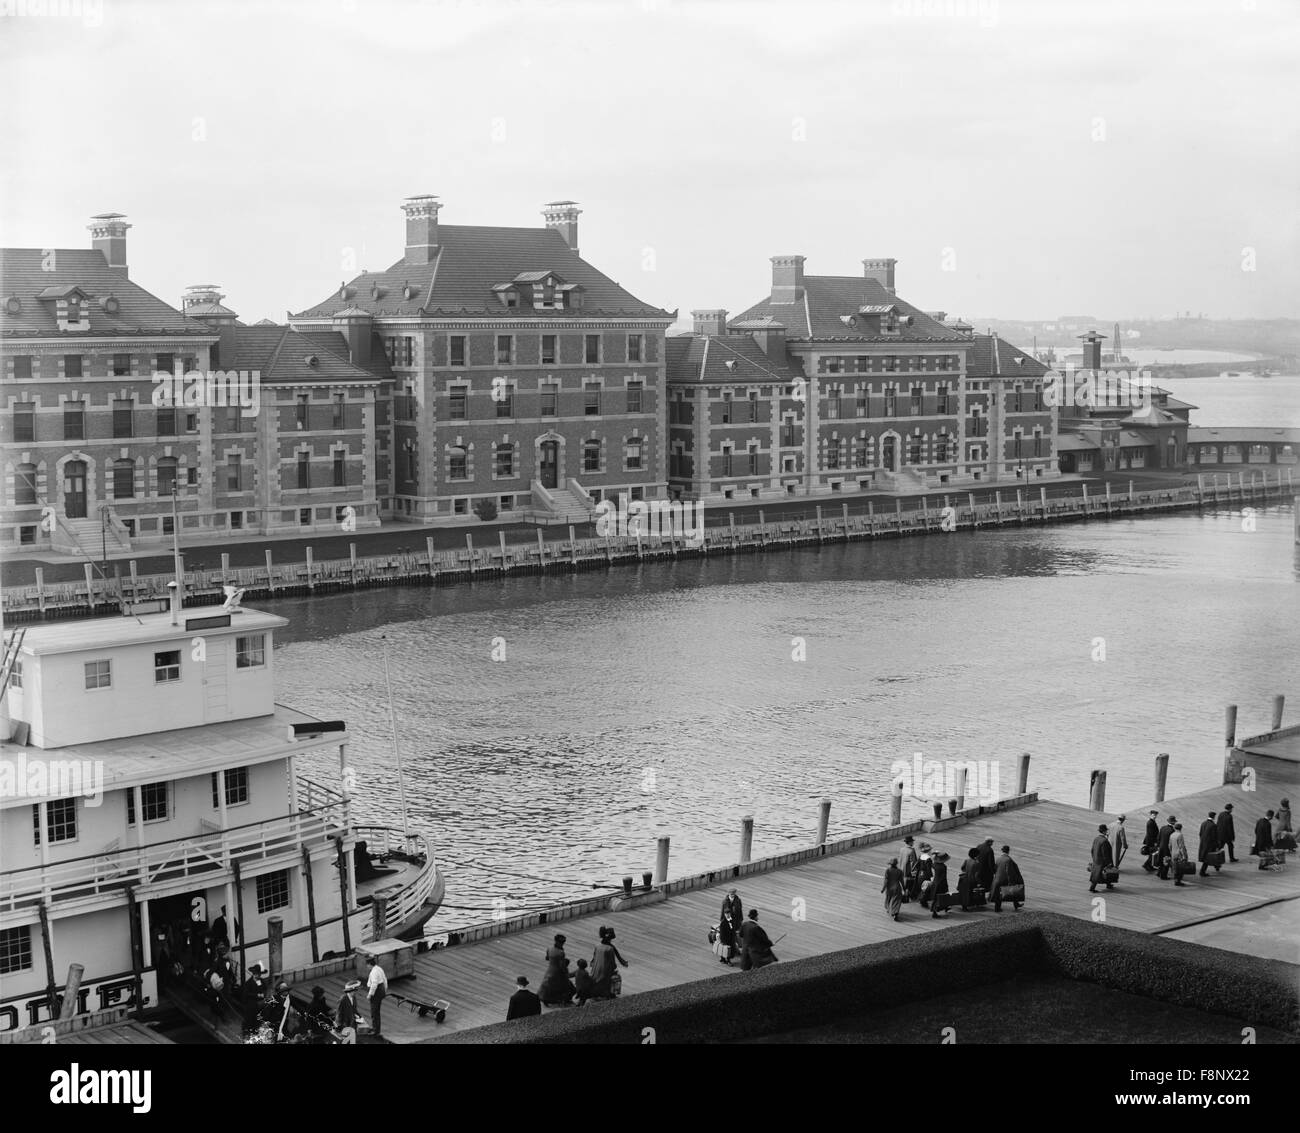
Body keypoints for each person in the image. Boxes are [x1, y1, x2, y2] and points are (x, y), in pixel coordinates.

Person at [589, 926, 629, 999]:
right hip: (605, 971)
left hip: (595, 969)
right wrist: (614, 968)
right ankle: (609, 993)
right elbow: (612, 963)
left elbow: (594, 958)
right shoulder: (610, 948)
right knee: (614, 977)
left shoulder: (597, 946)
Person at [539, 933, 575, 1007]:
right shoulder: (561, 952)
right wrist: (566, 973)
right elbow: (562, 966)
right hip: (558, 972)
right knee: (567, 986)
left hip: (550, 970)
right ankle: (565, 1000)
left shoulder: (549, 949)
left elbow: (547, 958)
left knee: (549, 986)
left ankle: (546, 998)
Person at [990, 845, 1024, 912]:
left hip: (997, 878)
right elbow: (1009, 872)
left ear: (1002, 850)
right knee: (1014, 890)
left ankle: (997, 908)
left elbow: (995, 869)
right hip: (1004, 879)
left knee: (998, 894)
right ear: (1008, 851)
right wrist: (1010, 882)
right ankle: (1016, 904)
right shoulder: (1008, 860)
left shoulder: (998, 859)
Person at [718, 888, 744, 965]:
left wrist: (741, 919)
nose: (732, 895)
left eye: (733, 894)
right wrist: (722, 920)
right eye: (731, 894)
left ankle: (734, 951)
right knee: (727, 941)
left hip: (735, 921)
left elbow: (740, 910)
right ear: (728, 894)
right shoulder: (725, 901)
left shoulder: (738, 900)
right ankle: (724, 957)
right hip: (727, 921)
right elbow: (723, 911)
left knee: (735, 935)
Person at [365, 955, 388, 1039]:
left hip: (376, 993)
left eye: (367, 964)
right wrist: (385, 990)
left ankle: (375, 1030)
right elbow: (385, 979)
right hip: (381, 990)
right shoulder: (379, 969)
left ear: (370, 964)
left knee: (374, 1012)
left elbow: (374, 984)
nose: (366, 966)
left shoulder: (374, 972)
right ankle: (376, 1028)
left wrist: (370, 994)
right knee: (376, 1011)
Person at [1089, 823, 1115, 893]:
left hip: (1096, 859)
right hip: (1101, 861)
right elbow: (1105, 854)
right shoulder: (1104, 841)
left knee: (1097, 873)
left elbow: (1092, 850)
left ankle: (1108, 884)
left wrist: (1094, 858)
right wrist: (1108, 862)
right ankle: (1092, 888)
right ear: (1104, 831)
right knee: (1100, 874)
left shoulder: (1096, 839)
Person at [1198, 812, 1221, 877]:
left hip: (1203, 843)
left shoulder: (1203, 823)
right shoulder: (1213, 825)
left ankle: (1216, 867)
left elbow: (1200, 834)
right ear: (1214, 817)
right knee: (1208, 859)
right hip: (1210, 845)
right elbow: (1214, 837)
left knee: (1206, 858)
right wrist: (1217, 845)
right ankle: (1202, 872)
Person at [881, 857, 904, 921]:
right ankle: (895, 912)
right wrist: (904, 888)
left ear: (890, 864)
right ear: (896, 864)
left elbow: (886, 880)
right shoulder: (899, 871)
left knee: (888, 898)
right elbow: (901, 881)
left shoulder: (888, 870)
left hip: (889, 887)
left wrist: (883, 889)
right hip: (897, 887)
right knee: (896, 900)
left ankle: (888, 909)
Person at [930, 852, 951, 919]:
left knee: (935, 898)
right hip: (941, 883)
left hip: (935, 882)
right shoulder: (943, 867)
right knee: (942, 896)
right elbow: (944, 877)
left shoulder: (934, 864)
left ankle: (938, 909)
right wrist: (946, 885)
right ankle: (936, 911)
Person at [899, 835, 919, 902]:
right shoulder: (911, 851)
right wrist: (915, 871)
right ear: (910, 842)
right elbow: (913, 862)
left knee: (903, 883)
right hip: (908, 871)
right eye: (912, 841)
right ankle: (907, 897)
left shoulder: (902, 849)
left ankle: (903, 896)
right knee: (909, 884)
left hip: (901, 869)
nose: (913, 843)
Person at [1156, 815, 1176, 880]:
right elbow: (1172, 841)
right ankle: (1163, 875)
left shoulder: (1162, 828)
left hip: (1161, 847)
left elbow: (1158, 838)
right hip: (1167, 849)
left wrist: (1158, 846)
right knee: (1166, 861)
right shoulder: (1172, 830)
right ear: (1173, 823)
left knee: (1161, 860)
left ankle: (1159, 873)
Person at [1170, 822, 1189, 887]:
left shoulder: (1172, 834)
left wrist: (1171, 852)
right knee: (1181, 868)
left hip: (1173, 853)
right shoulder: (1180, 835)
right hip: (1179, 854)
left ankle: (1175, 880)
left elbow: (1169, 845)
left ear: (1175, 828)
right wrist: (1184, 855)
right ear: (1181, 828)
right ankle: (1178, 881)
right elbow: (1181, 847)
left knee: (1175, 867)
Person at [916, 843, 935, 909]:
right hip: (925, 875)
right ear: (928, 851)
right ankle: (923, 901)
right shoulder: (928, 859)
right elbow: (928, 870)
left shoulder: (920, 857)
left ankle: (921, 899)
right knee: (926, 888)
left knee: (921, 887)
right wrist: (932, 877)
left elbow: (917, 866)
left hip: (920, 874)